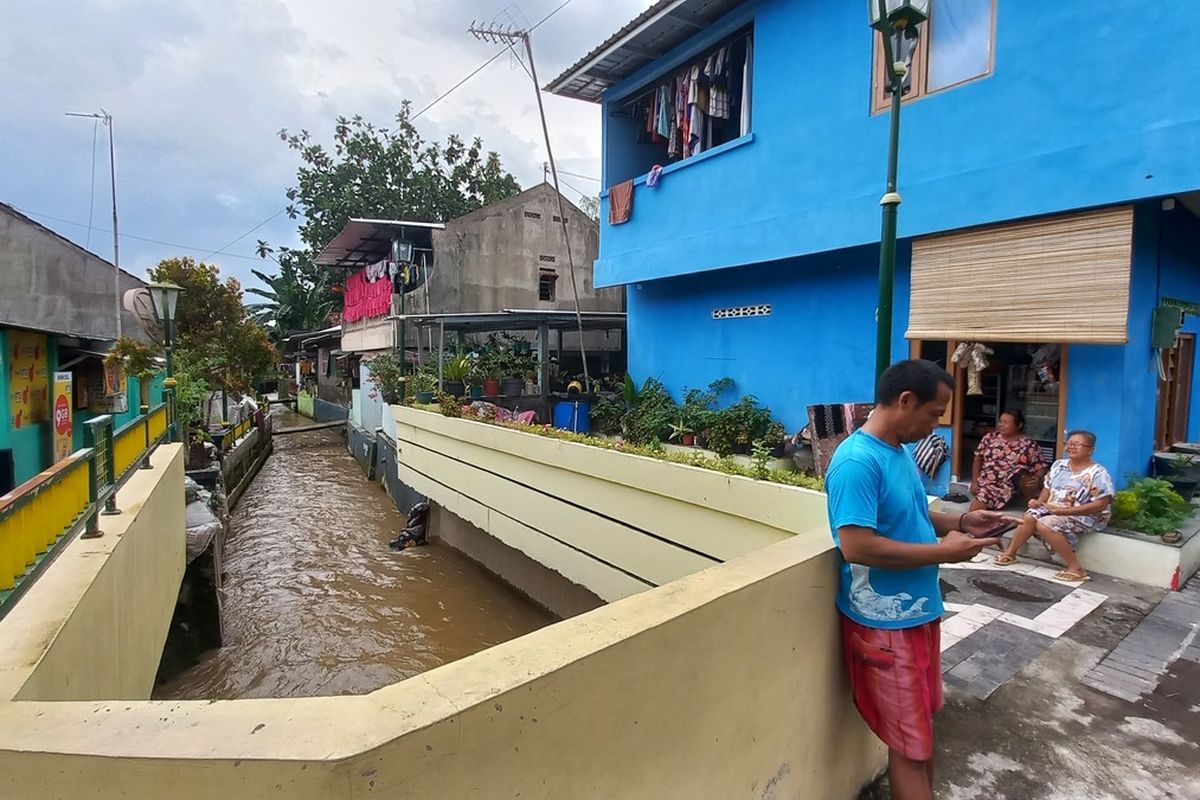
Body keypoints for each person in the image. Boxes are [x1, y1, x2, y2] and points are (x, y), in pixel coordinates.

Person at [826, 360, 1006, 800]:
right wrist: (945, 553)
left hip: (917, 614)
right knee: (910, 748)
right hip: (884, 628)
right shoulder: (856, 462)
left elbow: (911, 514)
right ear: (905, 401)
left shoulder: (898, 451)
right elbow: (857, 545)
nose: (936, 425)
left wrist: (961, 521)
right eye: (934, 413)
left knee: (920, 736)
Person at [993, 430, 1114, 582]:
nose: (1071, 447)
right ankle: (1010, 553)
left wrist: (1066, 511)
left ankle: (1076, 568)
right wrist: (1039, 502)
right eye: (1068, 443)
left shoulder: (1098, 473)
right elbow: (1048, 488)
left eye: (1077, 444)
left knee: (1046, 523)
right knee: (1029, 516)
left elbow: (1101, 504)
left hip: (1086, 514)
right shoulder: (1059, 465)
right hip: (1056, 509)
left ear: (1091, 449)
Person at [969, 410, 1046, 511]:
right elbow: (978, 458)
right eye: (1000, 422)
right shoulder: (990, 438)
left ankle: (1033, 507)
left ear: (1019, 425)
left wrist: (1038, 478)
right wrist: (975, 481)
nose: (1001, 425)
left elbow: (1040, 466)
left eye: (1005, 423)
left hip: (1012, 483)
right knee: (976, 508)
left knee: (1026, 478)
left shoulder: (1028, 444)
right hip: (989, 482)